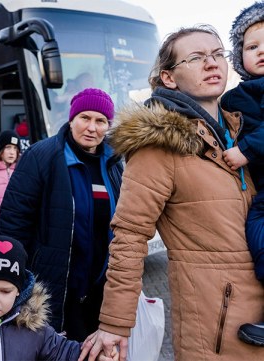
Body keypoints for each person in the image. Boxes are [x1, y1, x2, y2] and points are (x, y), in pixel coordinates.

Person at [78, 25, 264, 361]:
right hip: (217, 329)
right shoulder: (159, 146)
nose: (212, 64)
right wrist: (115, 324)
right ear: (168, 78)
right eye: (195, 58)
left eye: (217, 54)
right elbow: (130, 235)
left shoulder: (244, 130)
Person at [0, 88, 123, 341]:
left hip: (101, 287)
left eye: (100, 121)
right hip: (55, 284)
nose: (92, 127)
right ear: (71, 119)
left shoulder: (113, 162)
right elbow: (14, 222)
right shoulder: (42, 156)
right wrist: (16, 278)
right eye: (84, 118)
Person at [220, 2, 264, 346]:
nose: (261, 51)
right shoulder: (234, 98)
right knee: (258, 236)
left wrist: (247, 149)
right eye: (252, 46)